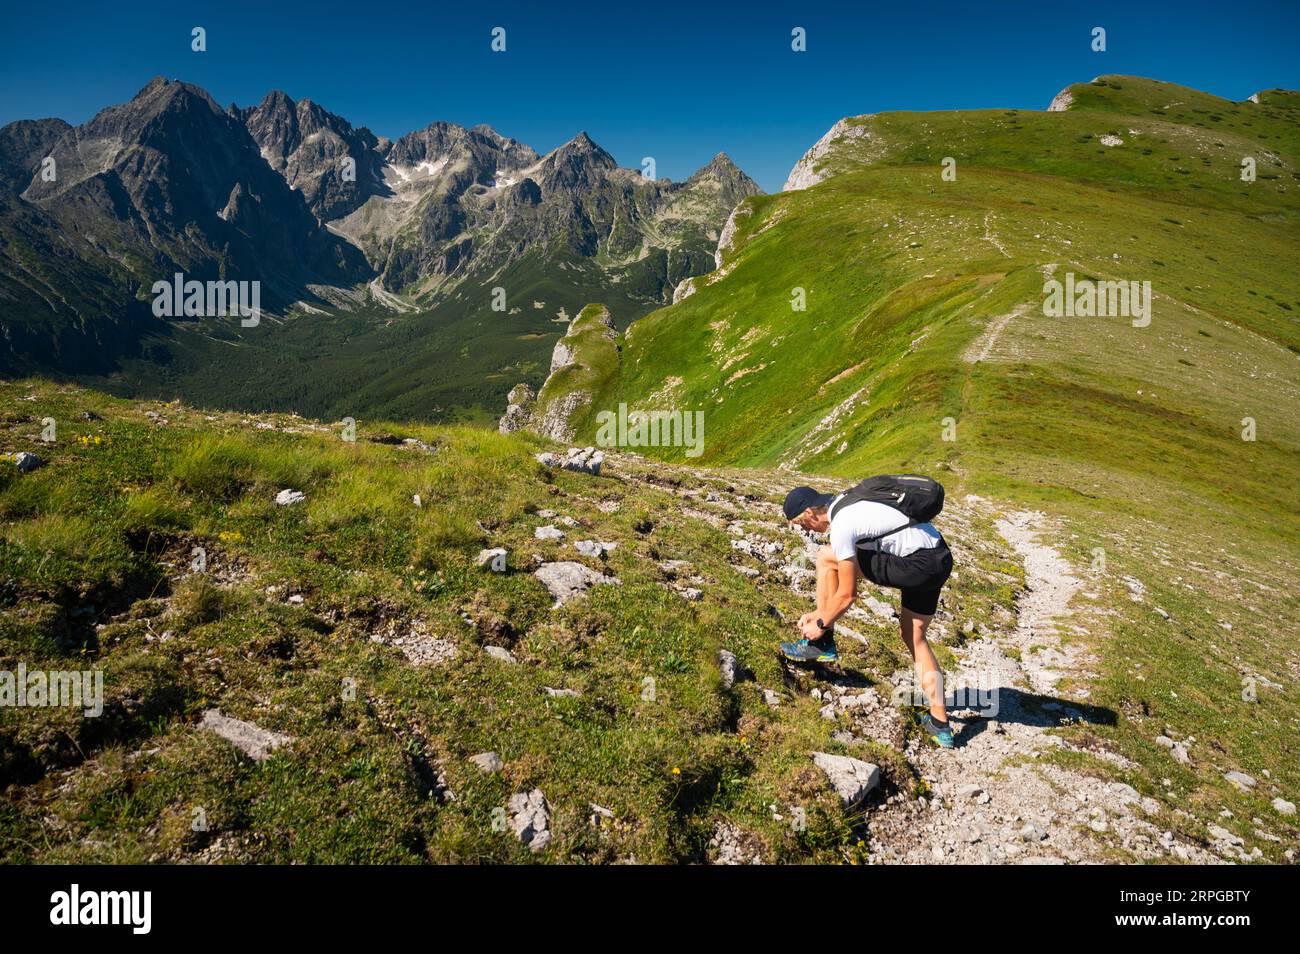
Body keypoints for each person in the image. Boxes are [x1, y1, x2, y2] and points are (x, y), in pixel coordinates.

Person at [779, 483, 956, 748]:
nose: (804, 529)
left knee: (827, 556)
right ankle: (940, 725)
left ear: (809, 512)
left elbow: (848, 594)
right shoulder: (849, 500)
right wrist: (820, 612)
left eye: (801, 524)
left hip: (916, 565)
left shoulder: (842, 524)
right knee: (914, 637)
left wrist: (820, 623)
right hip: (938, 557)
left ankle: (821, 642)